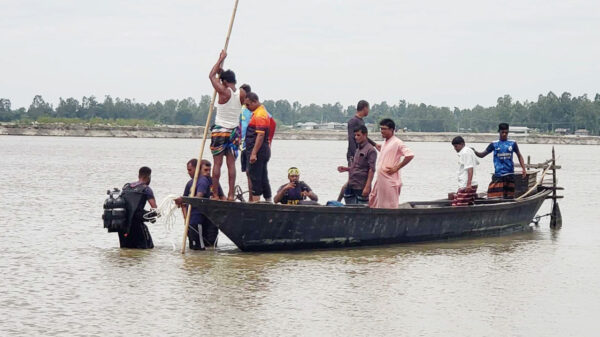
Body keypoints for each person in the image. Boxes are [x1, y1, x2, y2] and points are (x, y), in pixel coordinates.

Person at [209, 50, 246, 200]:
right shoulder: (242, 93)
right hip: (233, 133)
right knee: (231, 165)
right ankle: (231, 195)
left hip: (220, 130)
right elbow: (222, 76)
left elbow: (211, 76)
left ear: (224, 82)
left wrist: (220, 59)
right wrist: (222, 68)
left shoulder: (223, 92)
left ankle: (215, 194)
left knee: (217, 164)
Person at [176, 159, 223, 250]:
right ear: (199, 169)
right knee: (197, 249)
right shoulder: (193, 183)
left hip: (210, 221)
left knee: (210, 248)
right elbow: (184, 204)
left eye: (209, 170)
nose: (208, 173)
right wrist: (186, 221)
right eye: (205, 170)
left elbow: (222, 197)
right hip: (195, 220)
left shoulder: (213, 182)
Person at [239, 85, 275, 202]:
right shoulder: (258, 112)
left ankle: (255, 202)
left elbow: (260, 135)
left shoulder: (260, 114)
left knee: (255, 177)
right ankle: (268, 201)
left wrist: (254, 153)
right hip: (261, 150)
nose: (247, 107)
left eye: (248, 105)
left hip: (258, 151)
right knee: (263, 177)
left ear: (254, 102)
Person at [473, 123, 527, 199]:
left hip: (509, 174)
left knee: (509, 197)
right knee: (493, 196)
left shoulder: (512, 143)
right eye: (502, 132)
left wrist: (523, 169)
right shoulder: (494, 144)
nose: (504, 134)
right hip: (498, 175)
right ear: (499, 132)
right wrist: (474, 151)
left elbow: (519, 155)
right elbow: (482, 155)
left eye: (506, 132)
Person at [369, 119, 414, 209]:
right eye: (381, 129)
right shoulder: (385, 143)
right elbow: (382, 150)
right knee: (377, 204)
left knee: (390, 207)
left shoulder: (397, 142)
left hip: (390, 181)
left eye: (384, 129)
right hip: (381, 180)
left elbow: (410, 155)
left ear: (392, 130)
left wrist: (396, 168)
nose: (382, 131)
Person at [118, 166, 157, 249]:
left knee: (126, 250)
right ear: (148, 177)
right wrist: (153, 216)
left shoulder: (126, 187)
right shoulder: (146, 189)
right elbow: (154, 208)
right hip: (137, 226)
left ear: (139, 175)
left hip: (123, 226)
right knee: (146, 250)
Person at [337, 125, 377, 204]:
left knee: (361, 211)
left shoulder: (371, 150)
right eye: (355, 135)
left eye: (358, 135)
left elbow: (371, 169)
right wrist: (346, 169)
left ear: (365, 135)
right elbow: (356, 167)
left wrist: (367, 187)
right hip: (352, 184)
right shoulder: (358, 149)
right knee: (349, 208)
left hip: (361, 186)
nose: (356, 137)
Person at [346, 100, 380, 164]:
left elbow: (364, 137)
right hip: (354, 156)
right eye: (368, 108)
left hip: (361, 154)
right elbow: (351, 139)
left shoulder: (361, 121)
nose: (369, 111)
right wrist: (356, 155)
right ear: (365, 108)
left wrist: (374, 144)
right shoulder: (353, 121)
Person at [451, 136, 479, 206]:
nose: (455, 148)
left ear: (462, 144)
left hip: (467, 185)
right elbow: (476, 162)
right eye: (454, 146)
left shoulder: (465, 152)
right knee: (466, 204)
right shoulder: (469, 150)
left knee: (458, 205)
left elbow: (470, 168)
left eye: (456, 146)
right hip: (469, 184)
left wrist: (468, 184)